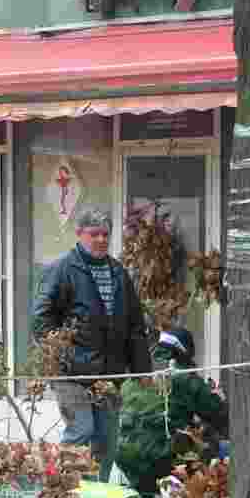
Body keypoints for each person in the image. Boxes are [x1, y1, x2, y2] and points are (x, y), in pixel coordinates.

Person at [32, 207, 152, 483]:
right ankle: (67, 493)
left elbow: (135, 324)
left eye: (105, 234)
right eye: (94, 234)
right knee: (82, 430)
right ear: (79, 234)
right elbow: (41, 320)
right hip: (71, 373)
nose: (100, 240)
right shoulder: (61, 270)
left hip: (109, 372)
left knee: (107, 440)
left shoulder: (118, 272)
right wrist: (63, 357)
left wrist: (142, 370)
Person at [117, 326, 228, 498]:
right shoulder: (186, 378)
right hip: (159, 459)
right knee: (216, 446)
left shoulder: (138, 373)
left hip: (124, 456)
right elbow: (221, 417)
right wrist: (218, 397)